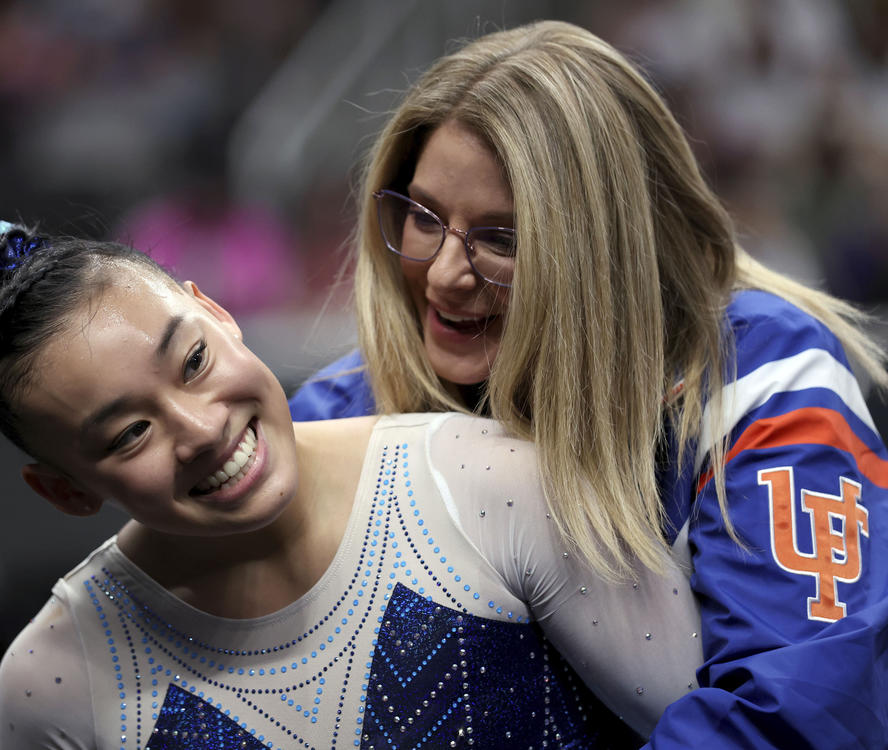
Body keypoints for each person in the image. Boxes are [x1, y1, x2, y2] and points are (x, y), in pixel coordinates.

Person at [289, 20, 888, 749]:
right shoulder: (343, 409)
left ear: (607, 250)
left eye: (501, 239)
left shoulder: (764, 376)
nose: (444, 273)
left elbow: (793, 717)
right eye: (423, 218)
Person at [0, 221, 704, 749]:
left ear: (216, 311)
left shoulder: (483, 479)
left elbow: (719, 729)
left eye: (192, 363)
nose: (203, 428)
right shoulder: (57, 682)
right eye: (129, 434)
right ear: (64, 491)